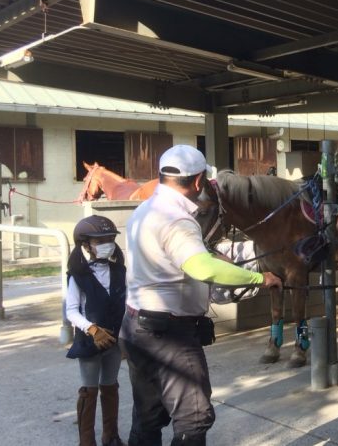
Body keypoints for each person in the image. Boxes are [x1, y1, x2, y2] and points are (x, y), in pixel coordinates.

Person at [119, 145, 283, 446]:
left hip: (136, 327)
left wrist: (212, 255)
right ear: (198, 182)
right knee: (194, 419)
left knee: (148, 415)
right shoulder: (177, 219)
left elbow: (178, 255)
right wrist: (260, 278)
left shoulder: (146, 209)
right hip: (169, 334)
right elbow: (201, 268)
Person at [66, 215, 127, 446]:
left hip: (114, 341)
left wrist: (126, 338)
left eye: (110, 239)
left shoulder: (120, 271)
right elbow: (71, 311)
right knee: (89, 391)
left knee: (111, 387)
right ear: (86, 244)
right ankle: (86, 441)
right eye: (100, 241)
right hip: (90, 341)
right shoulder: (78, 276)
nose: (106, 244)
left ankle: (111, 436)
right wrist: (92, 329)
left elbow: (127, 304)